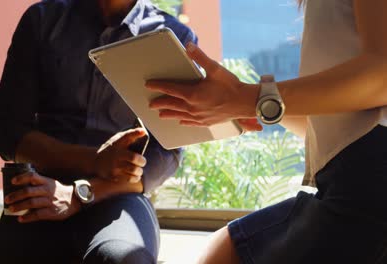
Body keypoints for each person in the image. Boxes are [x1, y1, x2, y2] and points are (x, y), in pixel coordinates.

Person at [146, 0, 387, 263]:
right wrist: (246, 105)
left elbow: (382, 75)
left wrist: (246, 98)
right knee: (224, 248)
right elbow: (334, 125)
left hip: (367, 186)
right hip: (351, 180)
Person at [0, 0, 197, 263]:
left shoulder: (172, 37)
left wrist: (81, 194)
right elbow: (9, 133)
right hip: (41, 190)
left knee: (125, 259)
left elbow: (167, 154)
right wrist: (94, 160)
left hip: (119, 194)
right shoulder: (42, 20)